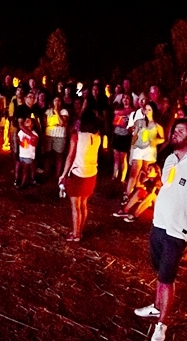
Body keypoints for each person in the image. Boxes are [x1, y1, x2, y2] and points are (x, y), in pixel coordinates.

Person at [134, 119, 187, 341]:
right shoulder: (170, 159)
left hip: (177, 231)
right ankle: (156, 307)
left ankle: (162, 323)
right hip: (159, 223)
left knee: (166, 277)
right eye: (174, 129)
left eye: (181, 131)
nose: (174, 133)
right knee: (159, 272)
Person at [59, 112, 102, 242]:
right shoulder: (97, 137)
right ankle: (79, 230)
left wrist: (63, 174)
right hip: (91, 173)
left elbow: (70, 156)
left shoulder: (76, 137)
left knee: (75, 206)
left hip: (78, 173)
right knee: (83, 204)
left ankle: (75, 234)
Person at [126, 101, 165, 201]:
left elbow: (163, 138)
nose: (147, 112)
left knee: (146, 173)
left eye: (149, 110)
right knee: (134, 172)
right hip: (139, 148)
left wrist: (156, 141)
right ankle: (128, 195)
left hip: (150, 150)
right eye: (145, 109)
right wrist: (132, 150)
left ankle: (140, 194)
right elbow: (134, 136)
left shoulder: (157, 125)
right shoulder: (139, 122)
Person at [43, 95, 70, 184]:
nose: (57, 102)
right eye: (55, 100)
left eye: (59, 100)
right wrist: (56, 123)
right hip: (49, 135)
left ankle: (58, 176)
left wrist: (56, 112)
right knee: (48, 155)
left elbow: (62, 123)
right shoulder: (47, 111)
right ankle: (46, 174)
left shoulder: (64, 111)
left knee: (59, 156)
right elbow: (46, 123)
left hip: (60, 136)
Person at [112, 94, 134, 181]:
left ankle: (122, 178)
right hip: (117, 135)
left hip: (125, 136)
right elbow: (114, 122)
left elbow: (131, 125)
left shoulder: (132, 112)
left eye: (127, 98)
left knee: (123, 158)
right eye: (124, 98)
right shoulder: (118, 109)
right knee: (116, 158)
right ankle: (114, 176)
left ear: (130, 100)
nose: (125, 100)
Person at [15, 117, 40, 188]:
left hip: (29, 155)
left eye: (28, 121)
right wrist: (20, 142)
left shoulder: (34, 134)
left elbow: (35, 144)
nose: (25, 122)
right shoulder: (21, 132)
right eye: (25, 120)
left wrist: (30, 141)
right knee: (22, 168)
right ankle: (23, 180)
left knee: (25, 170)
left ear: (32, 125)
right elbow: (18, 140)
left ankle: (22, 184)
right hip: (22, 154)